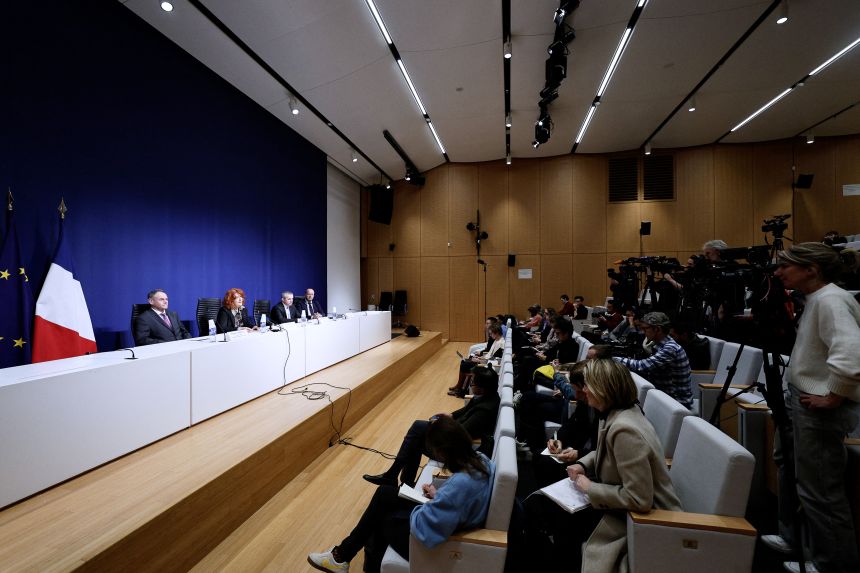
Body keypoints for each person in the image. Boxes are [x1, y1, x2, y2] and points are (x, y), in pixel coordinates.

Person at [522, 359, 681, 572]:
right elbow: (607, 451)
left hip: (645, 521)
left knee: (552, 516)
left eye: (589, 385)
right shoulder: (615, 414)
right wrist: (583, 464)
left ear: (604, 389)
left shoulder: (626, 430)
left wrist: (590, 488)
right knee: (542, 507)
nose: (584, 390)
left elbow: (639, 499)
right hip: (621, 504)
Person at [765, 242, 860, 573]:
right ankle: (794, 539)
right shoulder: (817, 298)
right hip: (802, 398)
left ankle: (832, 564)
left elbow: (851, 355)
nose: (778, 272)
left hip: (818, 408)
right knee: (789, 467)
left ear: (811, 270)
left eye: (785, 266)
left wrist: (834, 395)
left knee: (820, 489)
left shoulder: (831, 300)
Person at [308, 416, 495, 573]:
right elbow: (456, 501)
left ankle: (344, 558)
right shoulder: (482, 460)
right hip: (449, 520)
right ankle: (341, 557)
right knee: (385, 494)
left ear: (442, 452)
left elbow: (424, 529)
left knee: (380, 517)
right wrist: (439, 496)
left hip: (430, 539)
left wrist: (435, 501)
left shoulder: (460, 485)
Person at [365, 366, 500, 488]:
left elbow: (459, 434)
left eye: (472, 383)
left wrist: (441, 425)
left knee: (416, 433)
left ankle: (398, 480)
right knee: (416, 438)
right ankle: (401, 482)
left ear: (482, 388)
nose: (470, 385)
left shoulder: (484, 411)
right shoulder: (486, 397)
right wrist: (450, 415)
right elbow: (464, 411)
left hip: (457, 454)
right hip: (458, 443)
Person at [613, 311, 693, 409]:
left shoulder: (670, 348)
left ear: (657, 329)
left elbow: (641, 366)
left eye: (645, 329)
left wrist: (612, 359)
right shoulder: (659, 345)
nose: (643, 332)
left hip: (676, 402)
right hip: (664, 396)